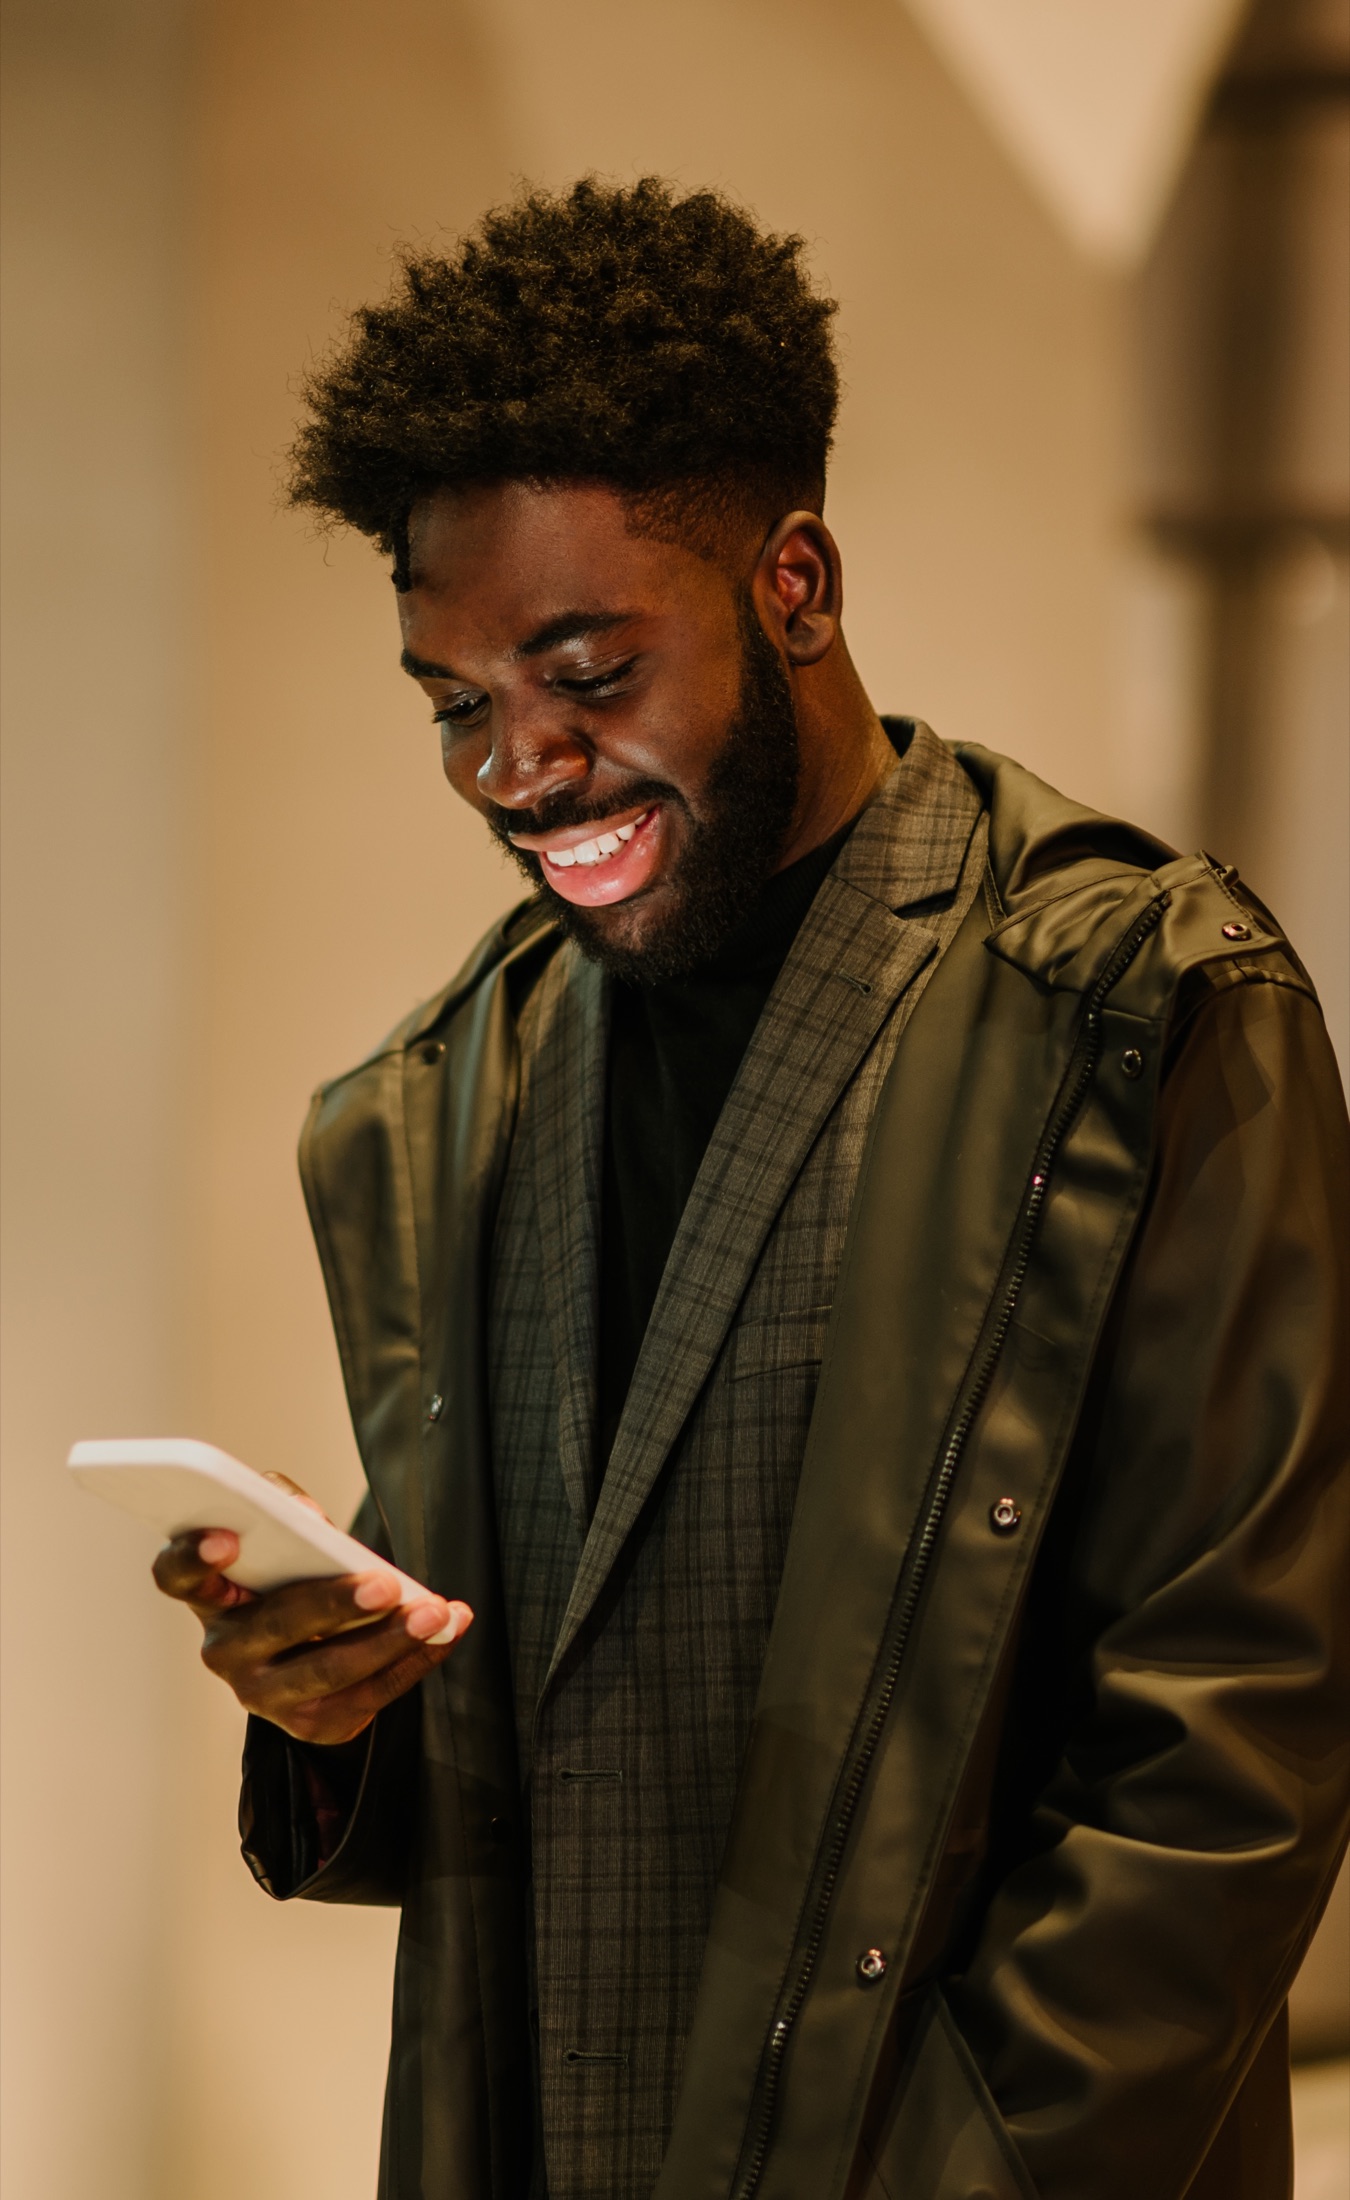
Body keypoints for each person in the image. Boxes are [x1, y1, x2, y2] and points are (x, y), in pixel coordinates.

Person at [153, 179, 1350, 2200]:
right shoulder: (440, 1100)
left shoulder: (1137, 1003)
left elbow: (1233, 1729)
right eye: (459, 705)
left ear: (794, 581)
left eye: (585, 669)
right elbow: (530, 1722)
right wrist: (331, 1705)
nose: (516, 772)